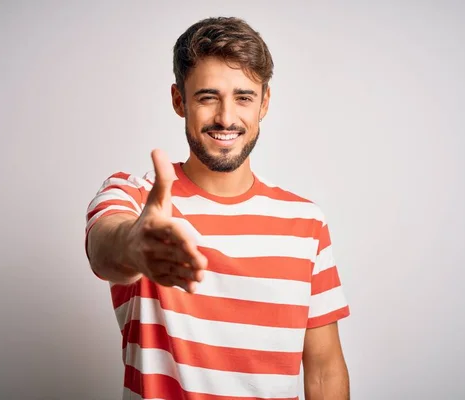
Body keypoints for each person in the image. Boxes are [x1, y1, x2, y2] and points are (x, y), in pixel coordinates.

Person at [85, 16, 351, 400]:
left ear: (265, 102)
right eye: (208, 97)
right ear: (179, 100)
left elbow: (324, 372)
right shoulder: (136, 196)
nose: (227, 118)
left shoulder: (306, 223)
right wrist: (134, 246)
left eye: (243, 97)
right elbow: (104, 248)